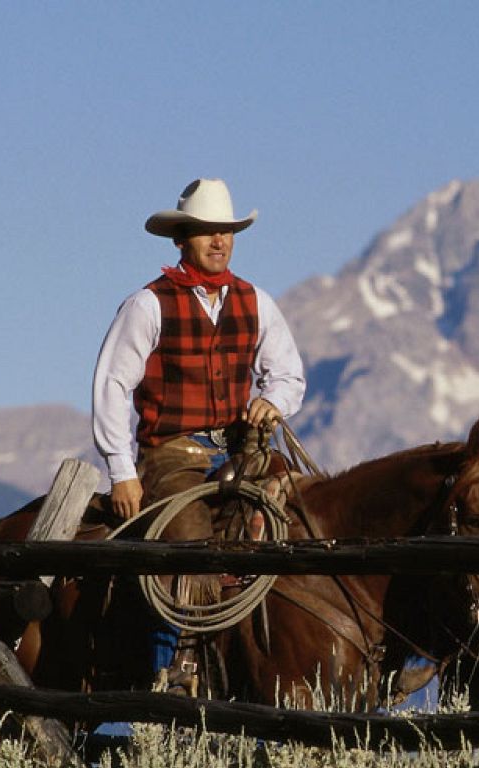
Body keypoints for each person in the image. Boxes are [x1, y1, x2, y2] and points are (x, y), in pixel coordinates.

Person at [92, 177, 305, 689]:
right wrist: (122, 472)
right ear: (182, 238)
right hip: (172, 454)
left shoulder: (256, 302)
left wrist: (271, 402)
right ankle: (173, 669)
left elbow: (289, 374)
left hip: (240, 449)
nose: (219, 241)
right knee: (187, 544)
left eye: (227, 231)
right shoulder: (148, 304)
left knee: (298, 514)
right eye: (208, 232)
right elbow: (112, 385)